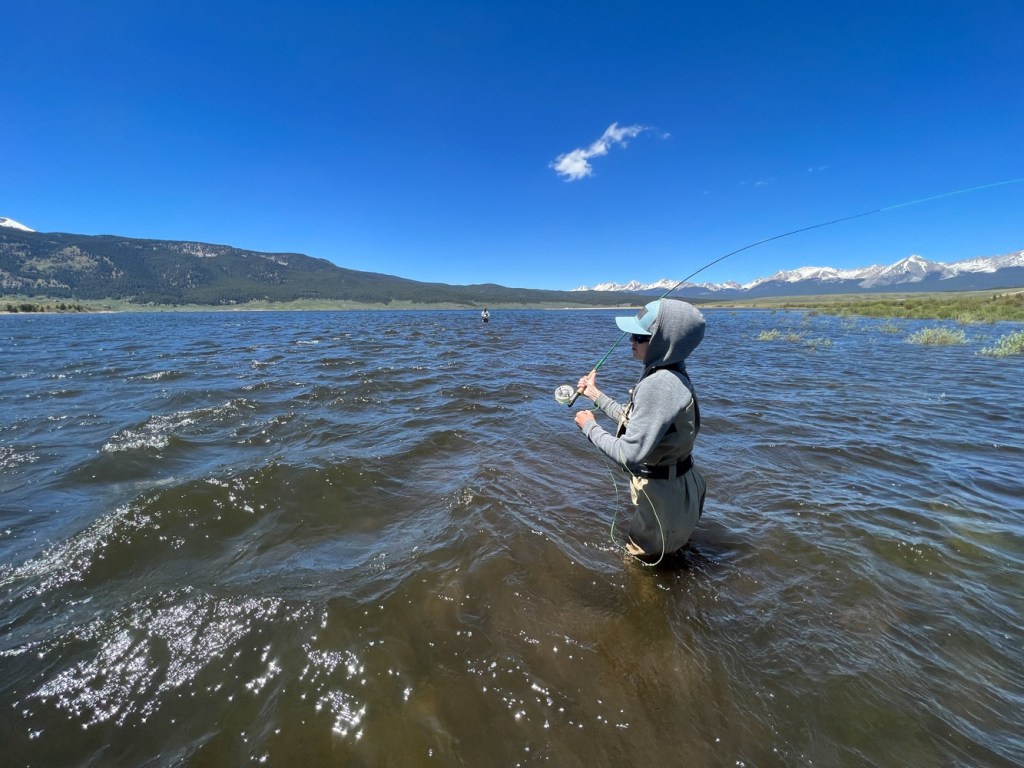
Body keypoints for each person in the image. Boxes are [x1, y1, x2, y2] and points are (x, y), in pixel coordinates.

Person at [573, 298, 706, 561]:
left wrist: (589, 426)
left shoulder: (658, 385)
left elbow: (628, 454)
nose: (631, 342)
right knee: (672, 561)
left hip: (665, 497)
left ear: (662, 341)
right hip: (681, 489)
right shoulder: (672, 373)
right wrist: (596, 395)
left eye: (639, 336)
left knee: (638, 567)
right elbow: (638, 422)